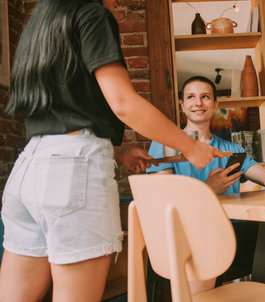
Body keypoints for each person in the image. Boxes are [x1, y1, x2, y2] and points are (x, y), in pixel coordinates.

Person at [0, 1, 224, 301]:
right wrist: (190, 147)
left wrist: (118, 151)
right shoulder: (91, 13)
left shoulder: (41, 20)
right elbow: (123, 103)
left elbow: (63, 110)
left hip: (28, 167)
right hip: (70, 173)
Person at [147, 76, 265, 298]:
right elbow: (162, 200)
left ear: (216, 104)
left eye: (205, 97)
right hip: (190, 236)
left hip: (235, 234)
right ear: (182, 105)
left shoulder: (231, 149)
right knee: (200, 293)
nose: (198, 103)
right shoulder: (165, 144)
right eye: (191, 97)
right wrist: (207, 189)